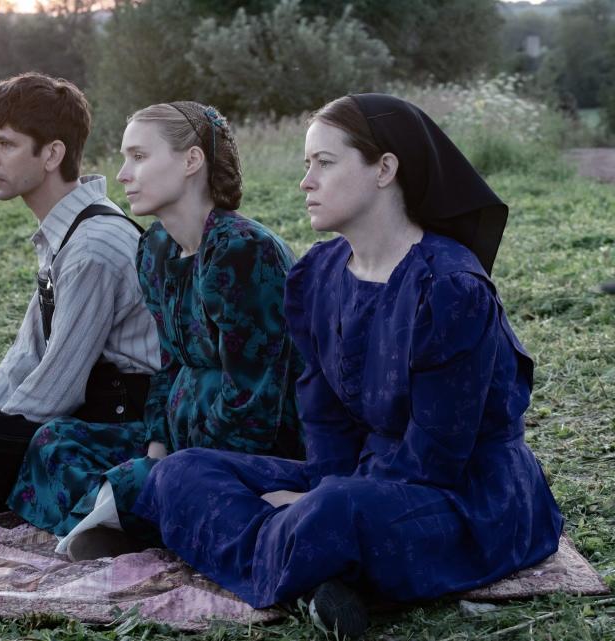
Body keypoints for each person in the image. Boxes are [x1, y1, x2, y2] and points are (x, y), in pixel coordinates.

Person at [133, 94, 564, 639]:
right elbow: (324, 416)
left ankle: (301, 554)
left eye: (324, 163)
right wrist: (320, 485)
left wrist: (318, 499)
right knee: (180, 472)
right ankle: (316, 571)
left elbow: (436, 455)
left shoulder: (450, 288)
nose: (305, 182)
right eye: (306, 165)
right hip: (357, 475)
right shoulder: (318, 273)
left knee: (336, 510)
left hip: (465, 496)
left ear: (385, 169)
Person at [8, 102, 304, 561]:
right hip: (181, 439)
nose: (123, 174)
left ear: (191, 161)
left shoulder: (243, 252)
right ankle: (141, 518)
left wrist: (175, 470)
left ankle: (142, 514)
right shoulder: (156, 249)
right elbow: (168, 367)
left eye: (139, 157)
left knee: (152, 481)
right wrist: (157, 447)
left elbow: (255, 402)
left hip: (251, 449)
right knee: (54, 443)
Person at [0, 72, 160, 518]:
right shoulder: (66, 230)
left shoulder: (94, 247)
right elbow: (29, 352)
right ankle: (1, 486)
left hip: (118, 423)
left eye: (5, 144)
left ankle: (13, 485)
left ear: (51, 154)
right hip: (87, 399)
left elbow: (58, 386)